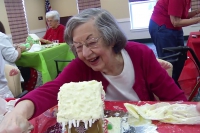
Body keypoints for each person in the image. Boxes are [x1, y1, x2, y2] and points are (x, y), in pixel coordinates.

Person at [0, 8, 187, 133]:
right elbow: (52, 89)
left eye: (91, 42)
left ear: (111, 38)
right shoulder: (81, 66)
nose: (85, 53)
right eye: (78, 46)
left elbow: (176, 99)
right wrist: (18, 112)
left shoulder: (140, 54)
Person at [149, 0, 200, 87]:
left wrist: (196, 12)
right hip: (162, 27)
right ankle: (168, 90)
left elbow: (181, 15)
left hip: (174, 28)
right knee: (169, 62)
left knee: (180, 58)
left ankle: (174, 86)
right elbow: (176, 22)